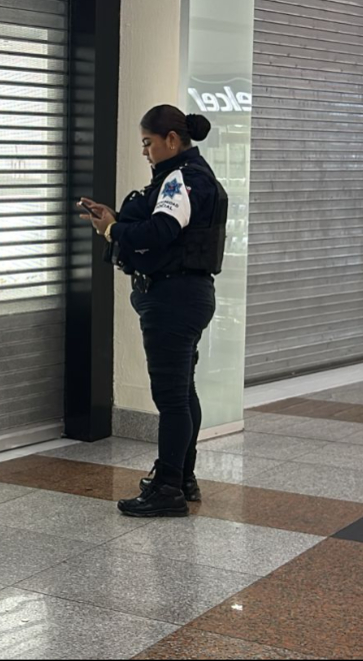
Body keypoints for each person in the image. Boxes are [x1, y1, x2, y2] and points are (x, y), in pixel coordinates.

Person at [79, 105, 227, 518]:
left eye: (148, 143)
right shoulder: (187, 177)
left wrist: (111, 228)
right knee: (182, 391)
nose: (146, 152)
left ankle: (167, 488)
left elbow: (160, 233)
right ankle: (180, 476)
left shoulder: (181, 179)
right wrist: (117, 219)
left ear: (172, 141)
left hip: (174, 298)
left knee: (171, 396)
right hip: (187, 295)